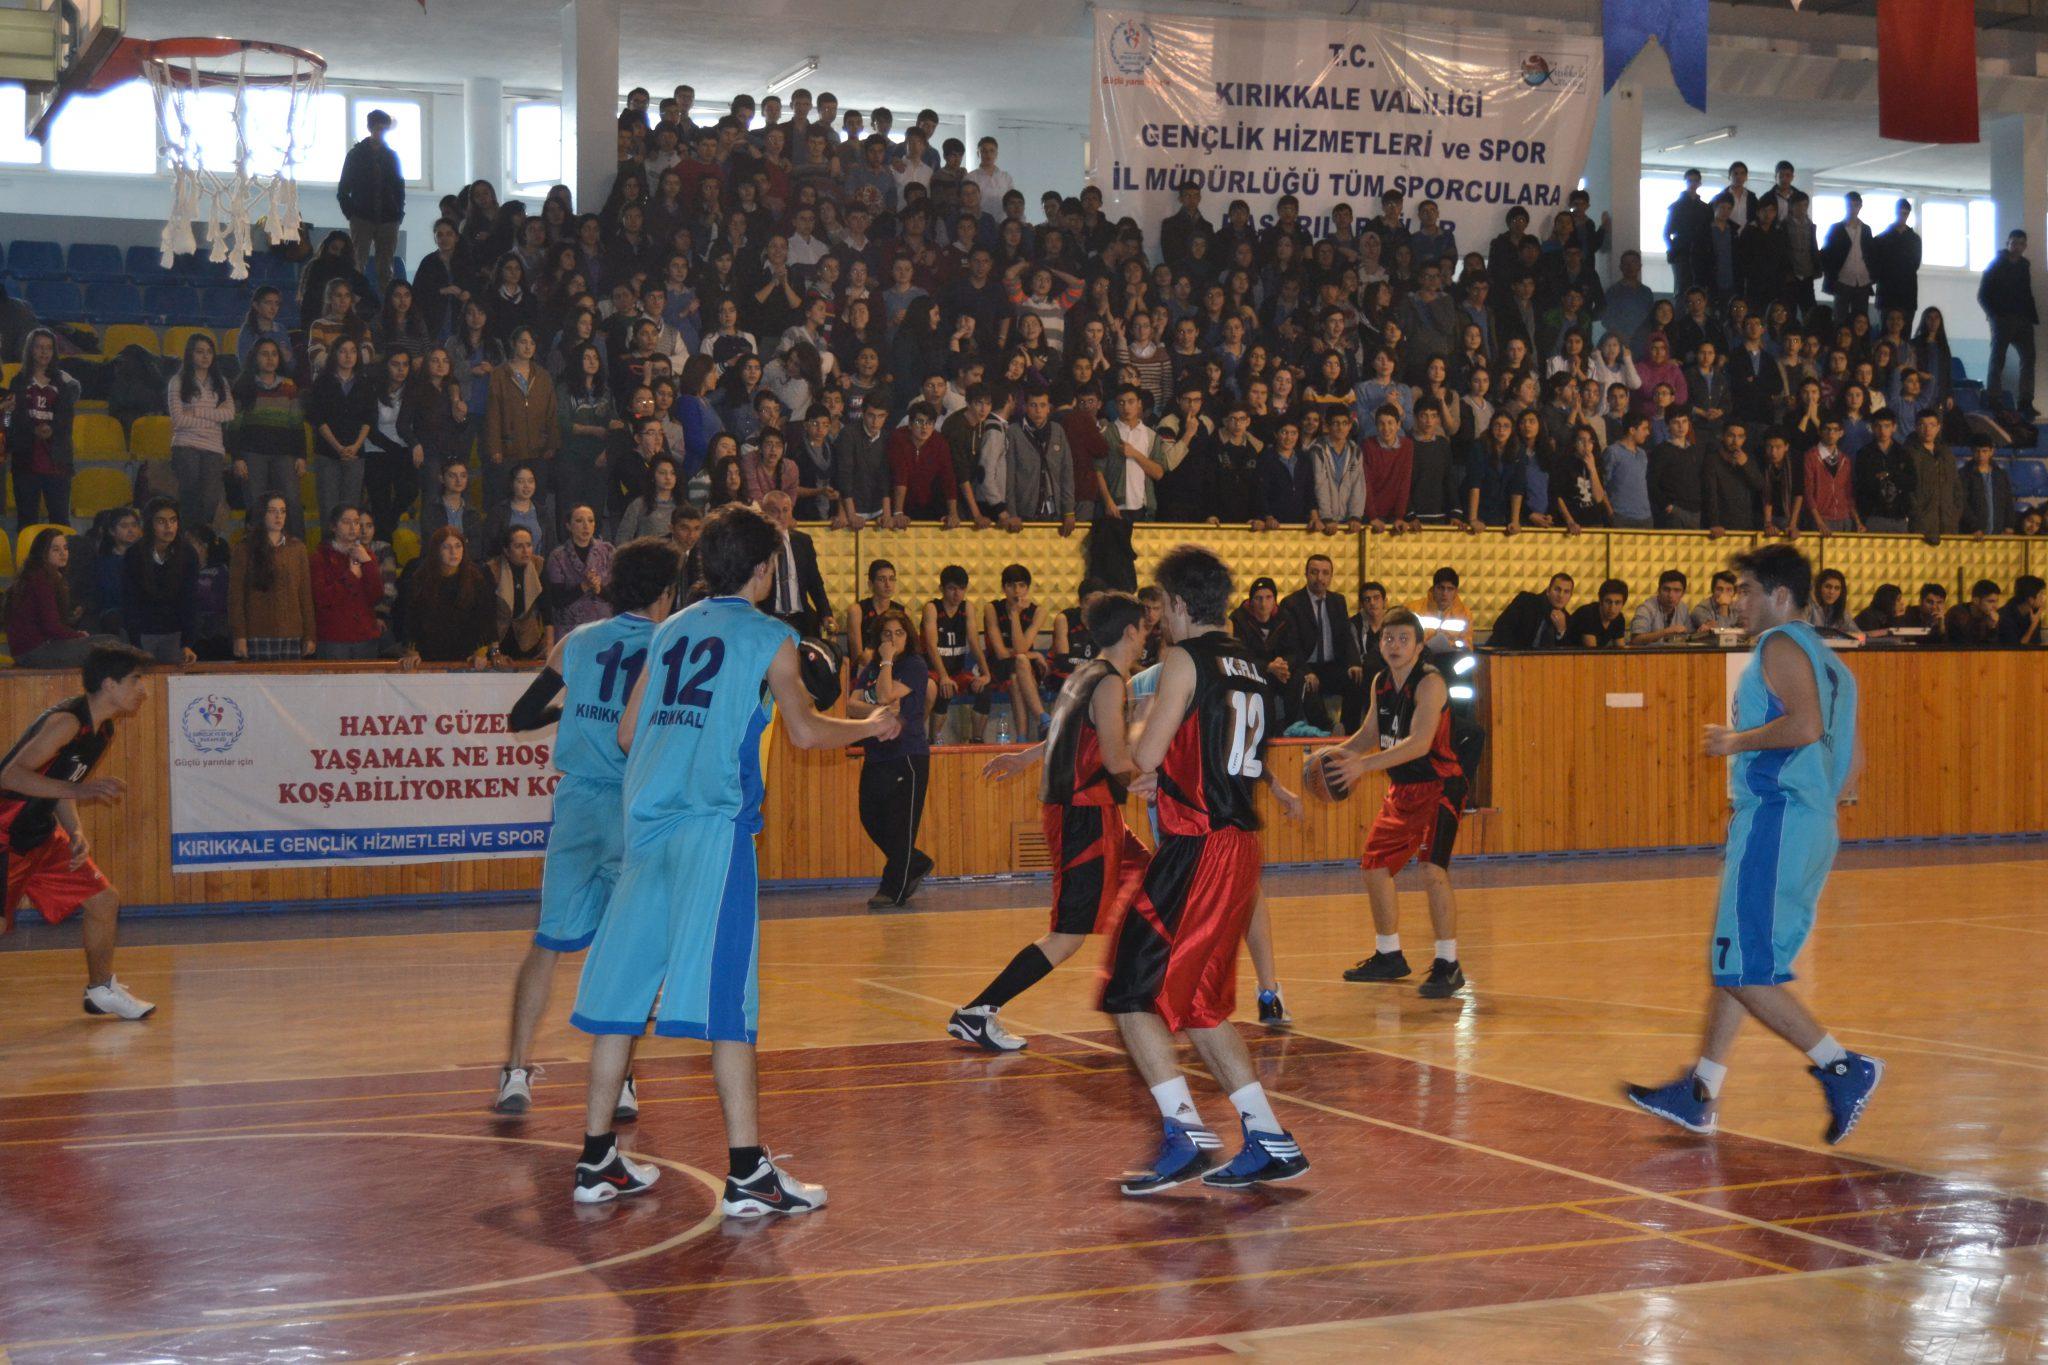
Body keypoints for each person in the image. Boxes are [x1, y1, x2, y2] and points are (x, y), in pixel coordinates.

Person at [566, 503, 900, 1210]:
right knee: (729, 1004)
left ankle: (596, 1159)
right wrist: (870, 725)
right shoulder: (772, 637)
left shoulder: (670, 630)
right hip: (711, 834)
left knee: (622, 1002)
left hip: (645, 826)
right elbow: (806, 733)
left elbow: (629, 733)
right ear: (765, 568)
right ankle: (747, 1171)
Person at [1626, 545, 1881, 1148]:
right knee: (1739, 961)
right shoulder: (1834, 662)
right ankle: (1699, 1091)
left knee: (1738, 965)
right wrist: (1818, 803)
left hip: (1779, 816)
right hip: (1805, 820)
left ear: (1781, 597)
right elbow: (1853, 758)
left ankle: (1842, 1066)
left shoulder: (1780, 645)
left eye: (1744, 590)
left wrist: (1735, 743)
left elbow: (1805, 727)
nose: (1735, 600)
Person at [1105, 544, 1308, 1196]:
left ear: (1180, 602)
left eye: (1160, 602)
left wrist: (1137, 738)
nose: (1156, 615)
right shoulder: (1248, 662)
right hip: (1238, 846)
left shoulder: (1184, 658)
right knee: (1197, 1003)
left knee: (1132, 992)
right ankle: (1267, 1134)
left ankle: (1184, 1128)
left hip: (1199, 847)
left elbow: (1150, 750)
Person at [493, 536, 681, 1116]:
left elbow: (520, 717)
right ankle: (621, 1081)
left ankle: (515, 1073)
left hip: (576, 805)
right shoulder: (670, 644)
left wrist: (570, 711)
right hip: (633, 806)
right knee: (629, 947)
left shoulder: (578, 640)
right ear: (665, 593)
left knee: (547, 944)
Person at [950, 590, 1151, 1050]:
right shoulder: (1110, 683)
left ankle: (1138, 987)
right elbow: (1118, 759)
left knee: (1150, 874)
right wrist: (1152, 779)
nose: (1147, 637)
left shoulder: (1084, 673)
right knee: (1067, 935)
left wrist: (1026, 756)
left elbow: (1067, 734)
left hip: (1088, 809)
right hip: (1085, 813)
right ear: (1130, 631)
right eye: (1144, 628)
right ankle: (978, 1011)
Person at [0, 643, 155, 1018]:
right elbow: (11, 776)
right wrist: (79, 791)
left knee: (104, 901)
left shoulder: (102, 731)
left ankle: (101, 991)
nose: (142, 689)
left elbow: (61, 782)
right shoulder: (67, 722)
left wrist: (75, 831)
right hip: (6, 835)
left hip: (40, 834)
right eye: (136, 680)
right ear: (109, 684)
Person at [1326, 608, 1468, 998]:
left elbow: (1420, 743)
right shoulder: (1380, 683)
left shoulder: (1430, 683)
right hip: (1403, 791)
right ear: (1379, 642)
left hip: (1439, 786)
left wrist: (1363, 767)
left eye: (1404, 638)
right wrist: (1328, 753)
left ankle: (1448, 963)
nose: (1395, 645)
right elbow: (1367, 735)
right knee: (1374, 865)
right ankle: (1389, 955)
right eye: (1388, 638)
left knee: (1431, 869)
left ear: (1420, 646)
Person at [848, 608, 934, 908]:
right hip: (876, 753)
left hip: (907, 754)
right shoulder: (870, 667)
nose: (893, 638)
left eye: (899, 633)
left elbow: (883, 696)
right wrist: (876, 706)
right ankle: (916, 861)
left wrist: (886, 662)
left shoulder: (913, 665)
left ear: (908, 636)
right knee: (870, 816)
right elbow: (851, 705)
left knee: (901, 824)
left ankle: (892, 889)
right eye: (886, 634)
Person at [231, 338, 308, 540]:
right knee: (256, 505)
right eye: (264, 354)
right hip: (252, 454)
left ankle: (297, 550)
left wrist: (301, 456)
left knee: (291, 502)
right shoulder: (243, 386)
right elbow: (234, 427)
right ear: (255, 358)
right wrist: (237, 458)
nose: (270, 358)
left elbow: (297, 425)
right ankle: (257, 550)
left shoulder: (289, 387)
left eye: (274, 354)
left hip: (284, 454)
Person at [1279, 554, 1364, 733]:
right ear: (1306, 574)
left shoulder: (1338, 601)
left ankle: (1349, 732)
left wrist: (1354, 663)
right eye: (1314, 572)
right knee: (1307, 684)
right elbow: (1292, 645)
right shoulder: (1292, 603)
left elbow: (1346, 637)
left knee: (1356, 680)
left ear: (1331, 576)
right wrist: (1307, 672)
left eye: (1325, 573)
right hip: (1306, 666)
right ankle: (1328, 731)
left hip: (1332, 666)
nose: (1320, 578)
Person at [6, 529, 115, 668]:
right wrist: (77, 635)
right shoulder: (40, 579)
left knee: (109, 642)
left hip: (35, 647)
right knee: (109, 645)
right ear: (43, 553)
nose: (63, 553)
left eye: (65, 548)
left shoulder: (45, 575)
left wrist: (72, 626)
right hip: (34, 651)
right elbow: (51, 627)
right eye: (56, 549)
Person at [5, 327, 80, 529]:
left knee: (60, 521)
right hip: (25, 461)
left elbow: (66, 418)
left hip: (57, 462)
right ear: (30, 350)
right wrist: (32, 430)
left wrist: (52, 429)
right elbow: (11, 419)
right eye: (39, 347)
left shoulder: (63, 382)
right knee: (27, 521)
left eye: (48, 348)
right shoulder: (19, 381)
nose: (44, 352)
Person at [227, 494, 317, 661]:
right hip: (258, 632)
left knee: (291, 686)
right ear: (262, 514)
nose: (279, 516)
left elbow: (305, 594)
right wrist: (239, 635)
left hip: (292, 632)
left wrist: (310, 634)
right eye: (272, 511)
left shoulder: (297, 548)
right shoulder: (244, 548)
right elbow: (236, 597)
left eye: (282, 511)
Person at [399, 527, 496, 667]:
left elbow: (484, 619)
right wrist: (411, 651)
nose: (453, 552)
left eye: (458, 546)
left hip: (465, 655)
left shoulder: (477, 577)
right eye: (446, 547)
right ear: (436, 550)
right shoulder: (420, 578)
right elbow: (411, 619)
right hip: (428, 653)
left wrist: (480, 652)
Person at [122, 498, 199, 666]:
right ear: (150, 524)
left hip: (175, 635)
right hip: (142, 635)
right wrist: (135, 642)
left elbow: (190, 600)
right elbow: (129, 600)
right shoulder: (134, 554)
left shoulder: (188, 553)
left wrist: (187, 643)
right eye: (161, 521)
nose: (168, 527)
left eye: (173, 520)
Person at [337, 108, 405, 292]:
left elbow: (399, 186)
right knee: (357, 262)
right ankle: (354, 302)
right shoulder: (356, 155)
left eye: (383, 128)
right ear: (370, 128)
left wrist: (398, 213)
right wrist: (351, 213)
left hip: (388, 217)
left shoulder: (391, 156)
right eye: (377, 128)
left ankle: (386, 306)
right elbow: (343, 188)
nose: (380, 132)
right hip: (362, 216)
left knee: (386, 267)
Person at [923, 564, 992, 744]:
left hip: (958, 671)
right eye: (952, 589)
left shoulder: (967, 608)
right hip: (935, 671)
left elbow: (975, 643)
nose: (957, 594)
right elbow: (931, 645)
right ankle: (933, 739)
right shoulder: (932, 608)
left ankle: (977, 739)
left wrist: (986, 674)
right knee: (944, 688)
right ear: (942, 589)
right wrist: (944, 676)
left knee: (984, 690)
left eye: (961, 589)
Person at [310, 504, 386, 661]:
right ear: (333, 526)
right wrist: (350, 576)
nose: (353, 527)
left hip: (365, 635)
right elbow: (322, 598)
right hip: (335, 637)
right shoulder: (320, 557)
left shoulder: (366, 554)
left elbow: (376, 595)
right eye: (346, 522)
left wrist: (368, 563)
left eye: (356, 522)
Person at [984, 563, 1049, 738]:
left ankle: (1021, 738)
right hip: (1000, 666)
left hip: (1026, 669)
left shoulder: (1038, 611)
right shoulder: (992, 609)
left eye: (1021, 585)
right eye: (1011, 585)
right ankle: (1042, 718)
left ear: (1027, 588)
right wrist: (1033, 654)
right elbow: (1000, 653)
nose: (1016, 590)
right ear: (1004, 588)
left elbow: (1020, 649)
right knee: (1019, 662)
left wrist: (1015, 617)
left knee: (1016, 674)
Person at [1979, 229, 2037, 415]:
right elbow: (1983, 294)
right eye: (2014, 243)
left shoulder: (2024, 266)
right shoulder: (1996, 265)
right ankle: (1993, 398)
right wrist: (1994, 315)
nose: (2017, 247)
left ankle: (2025, 401)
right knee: (1998, 359)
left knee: (2028, 359)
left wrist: (2030, 316)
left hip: (2023, 319)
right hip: (2002, 319)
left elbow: (2026, 293)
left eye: (2021, 243)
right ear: (2008, 243)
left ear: (2025, 246)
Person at [545, 505, 615, 634]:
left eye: (590, 520)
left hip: (603, 623)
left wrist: (599, 589)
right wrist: (584, 586)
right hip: (571, 627)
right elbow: (557, 600)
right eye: (579, 521)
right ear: (568, 526)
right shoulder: (558, 556)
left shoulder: (607, 551)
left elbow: (617, 593)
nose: (586, 526)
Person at [1568, 578, 1630, 649]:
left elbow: (1621, 651)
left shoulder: (1619, 619)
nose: (1612, 608)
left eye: (1617, 603)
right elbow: (1593, 652)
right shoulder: (1588, 614)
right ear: (1600, 601)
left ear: (1623, 604)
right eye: (1608, 602)